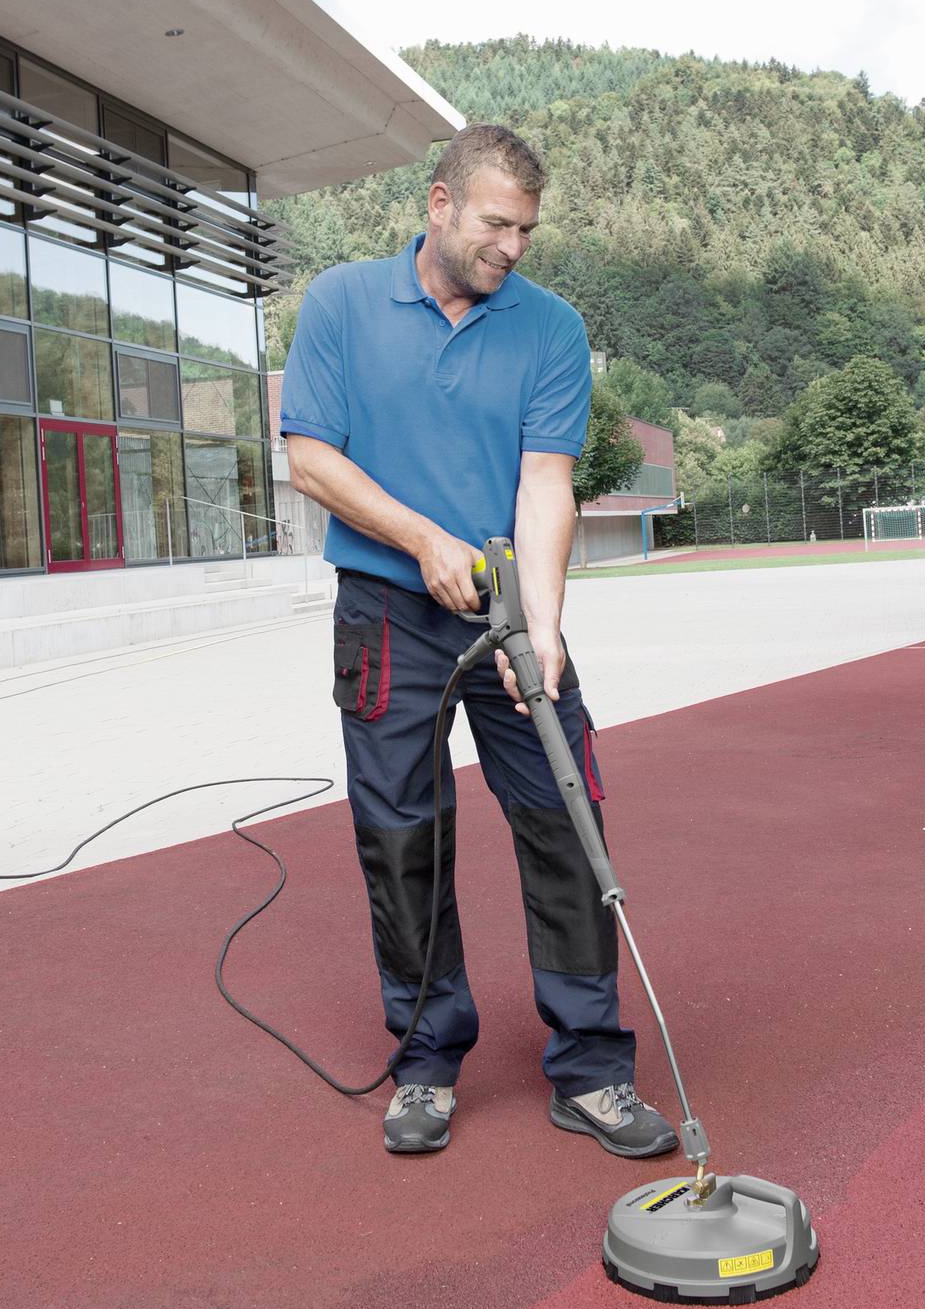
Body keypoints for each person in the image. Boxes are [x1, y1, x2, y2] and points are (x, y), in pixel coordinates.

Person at [279, 123, 679, 1163]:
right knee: (401, 834)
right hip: (385, 610)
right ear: (439, 204)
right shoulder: (341, 305)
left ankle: (590, 1068)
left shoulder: (549, 328)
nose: (512, 246)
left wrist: (539, 633)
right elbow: (310, 459)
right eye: (496, 224)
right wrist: (422, 540)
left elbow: (546, 483)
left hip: (507, 602)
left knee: (565, 818)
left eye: (526, 230)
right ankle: (424, 1059)